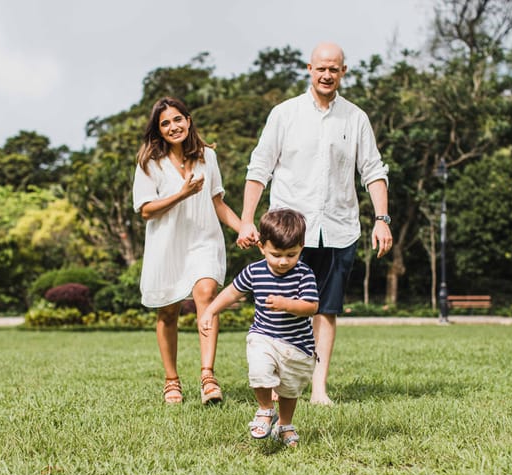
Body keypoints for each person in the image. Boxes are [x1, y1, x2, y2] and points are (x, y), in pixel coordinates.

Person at [237, 42, 393, 405]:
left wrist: (381, 219)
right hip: (290, 232)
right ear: (310, 68)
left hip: (339, 228)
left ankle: (318, 387)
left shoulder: (355, 118)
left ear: (343, 72)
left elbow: (373, 171)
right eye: (321, 68)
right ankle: (278, 381)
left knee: (326, 309)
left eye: (334, 69)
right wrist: (247, 219)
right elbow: (259, 169)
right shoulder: (284, 114)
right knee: (282, 305)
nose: (327, 75)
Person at [132, 96, 241, 405]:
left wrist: (245, 228)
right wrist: (181, 195)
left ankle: (208, 377)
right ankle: (172, 381)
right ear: (158, 130)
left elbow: (218, 202)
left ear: (189, 120)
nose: (173, 126)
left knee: (206, 294)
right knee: (168, 311)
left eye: (177, 119)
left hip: (203, 238)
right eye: (165, 123)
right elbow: (146, 210)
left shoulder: (208, 156)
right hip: (166, 245)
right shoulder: (149, 163)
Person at [200, 208, 318, 446]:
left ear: (301, 247)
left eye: (291, 254)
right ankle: (265, 410)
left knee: (289, 390)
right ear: (262, 247)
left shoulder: (304, 274)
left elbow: (311, 306)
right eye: (276, 254)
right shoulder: (254, 271)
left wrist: (287, 304)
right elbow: (232, 292)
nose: (284, 261)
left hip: (296, 345)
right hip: (263, 336)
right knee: (259, 371)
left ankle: (284, 424)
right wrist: (210, 310)